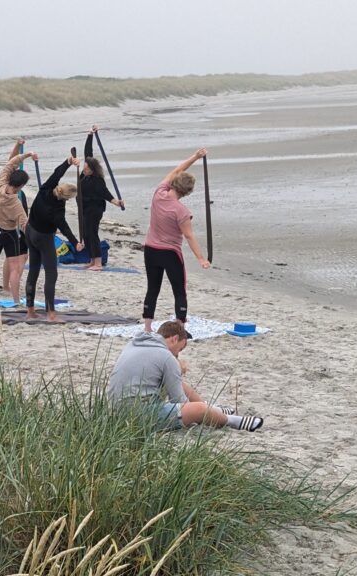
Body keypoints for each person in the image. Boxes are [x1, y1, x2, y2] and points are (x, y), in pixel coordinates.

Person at [107, 321, 264, 431]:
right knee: (199, 409)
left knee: (182, 387)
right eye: (180, 349)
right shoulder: (166, 357)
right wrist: (177, 370)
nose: (178, 355)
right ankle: (232, 421)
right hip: (138, 416)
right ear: (174, 339)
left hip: (115, 411)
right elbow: (179, 402)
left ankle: (214, 409)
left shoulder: (134, 343)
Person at [142, 148, 211, 333]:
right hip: (170, 253)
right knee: (179, 290)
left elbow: (177, 170)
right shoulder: (182, 211)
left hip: (150, 249)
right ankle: (180, 327)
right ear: (187, 192)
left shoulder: (159, 192)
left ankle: (147, 328)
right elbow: (189, 236)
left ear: (173, 183)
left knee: (152, 288)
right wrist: (201, 259)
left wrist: (195, 157)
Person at [24, 152, 83, 322]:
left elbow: (57, 173)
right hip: (43, 238)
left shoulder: (46, 188)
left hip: (30, 232)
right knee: (51, 273)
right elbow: (64, 228)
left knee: (34, 270)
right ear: (67, 198)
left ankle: (30, 310)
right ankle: (50, 313)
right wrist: (76, 243)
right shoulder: (57, 210)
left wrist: (68, 162)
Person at [0, 145, 35, 305]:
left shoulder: (0, 183)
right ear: (21, 186)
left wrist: (28, 154)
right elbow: (24, 225)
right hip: (8, 234)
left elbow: (11, 163)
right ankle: (16, 302)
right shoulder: (15, 203)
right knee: (15, 268)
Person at [82, 125, 125, 270]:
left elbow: (105, 193)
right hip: (85, 208)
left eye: (86, 168)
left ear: (91, 169)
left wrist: (116, 202)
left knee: (92, 233)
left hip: (95, 209)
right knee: (86, 234)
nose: (84, 169)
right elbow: (88, 153)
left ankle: (98, 262)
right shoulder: (84, 177)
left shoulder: (97, 180)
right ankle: (92, 260)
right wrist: (90, 135)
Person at [1, 139, 30, 299]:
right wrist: (17, 147)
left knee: (18, 255)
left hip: (19, 212)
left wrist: (19, 146)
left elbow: (12, 161)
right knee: (16, 255)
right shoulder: (8, 184)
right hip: (13, 220)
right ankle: (10, 285)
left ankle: (10, 284)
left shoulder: (13, 185)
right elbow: (11, 161)